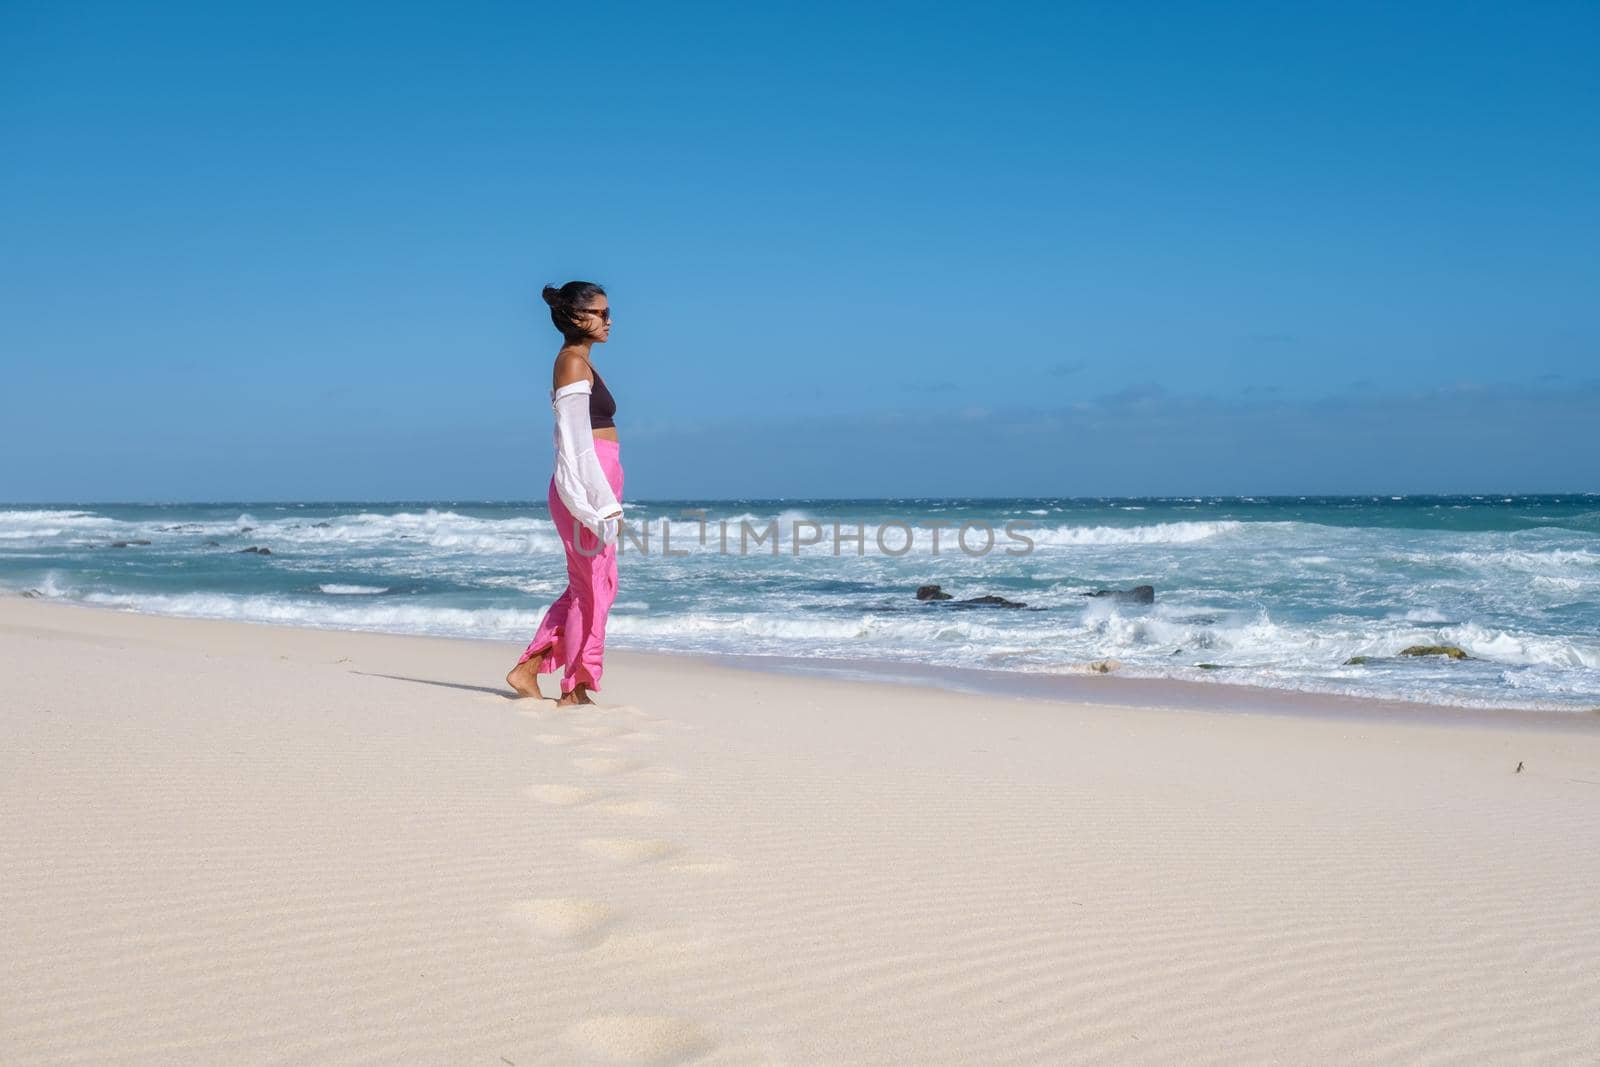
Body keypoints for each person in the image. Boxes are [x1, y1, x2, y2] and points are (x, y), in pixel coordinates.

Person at [505, 281, 624, 706]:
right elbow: (576, 447)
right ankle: (574, 689)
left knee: (588, 587)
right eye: (600, 312)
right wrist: (603, 505)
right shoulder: (572, 363)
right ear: (576, 317)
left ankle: (529, 669)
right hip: (586, 489)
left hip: (595, 484)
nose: (609, 320)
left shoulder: (580, 362)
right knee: (593, 589)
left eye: (608, 312)